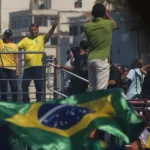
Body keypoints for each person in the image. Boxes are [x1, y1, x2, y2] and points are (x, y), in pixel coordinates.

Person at [17, 21, 57, 103]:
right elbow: (16, 47)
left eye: (35, 30)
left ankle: (38, 103)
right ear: (29, 31)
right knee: (24, 85)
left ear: (38, 30)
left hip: (39, 67)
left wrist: (53, 26)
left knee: (39, 87)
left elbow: (49, 34)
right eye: (31, 30)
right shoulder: (25, 40)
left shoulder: (41, 38)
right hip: (28, 67)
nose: (33, 31)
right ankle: (26, 103)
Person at [84, 3, 118, 91]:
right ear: (104, 13)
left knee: (93, 90)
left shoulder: (87, 26)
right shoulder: (108, 23)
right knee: (101, 91)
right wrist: (107, 14)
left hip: (91, 59)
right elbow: (116, 25)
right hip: (102, 59)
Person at [0, 29, 19, 102]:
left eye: (8, 36)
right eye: (6, 35)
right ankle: (4, 103)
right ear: (4, 36)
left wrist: (17, 70)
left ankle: (14, 103)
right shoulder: (1, 43)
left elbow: (16, 58)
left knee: (14, 87)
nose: (7, 37)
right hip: (2, 68)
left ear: (11, 37)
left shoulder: (15, 46)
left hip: (12, 69)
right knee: (3, 88)